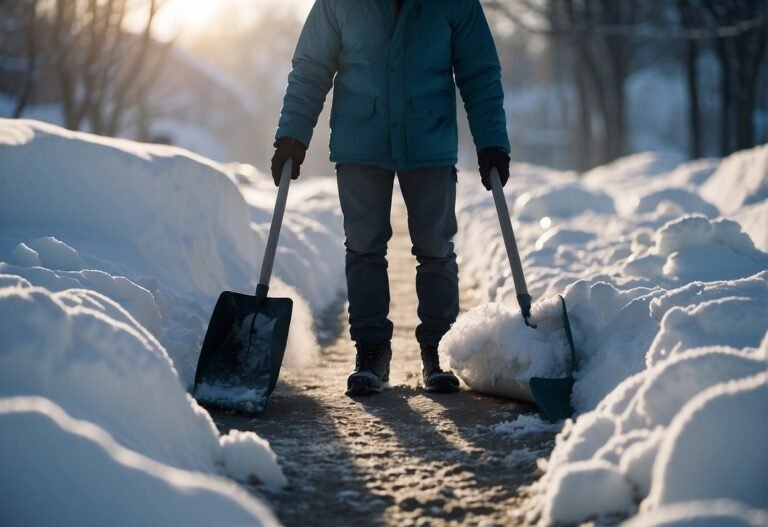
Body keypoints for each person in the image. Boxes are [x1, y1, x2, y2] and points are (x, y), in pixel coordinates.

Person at [272, 0, 511, 396]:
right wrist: (292, 136)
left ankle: (439, 348)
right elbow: (311, 69)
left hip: (429, 138)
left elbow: (479, 72)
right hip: (360, 140)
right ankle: (371, 352)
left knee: (435, 247)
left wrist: (491, 141)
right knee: (364, 247)